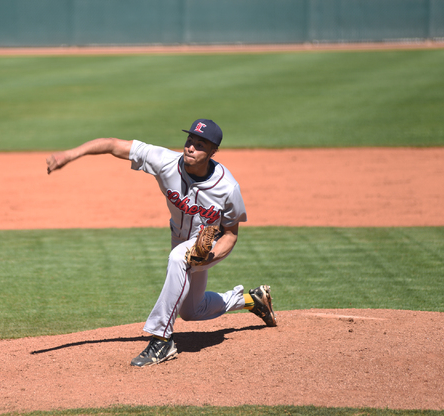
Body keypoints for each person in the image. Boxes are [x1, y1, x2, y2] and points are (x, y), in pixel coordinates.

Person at [46, 118, 277, 367]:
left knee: (179, 257)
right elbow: (113, 145)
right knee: (191, 311)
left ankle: (162, 339)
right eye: (190, 140)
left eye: (200, 144)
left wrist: (210, 255)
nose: (191, 147)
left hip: (208, 244)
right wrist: (69, 155)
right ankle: (254, 300)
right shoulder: (164, 160)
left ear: (213, 151)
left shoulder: (227, 188)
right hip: (179, 236)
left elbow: (231, 234)